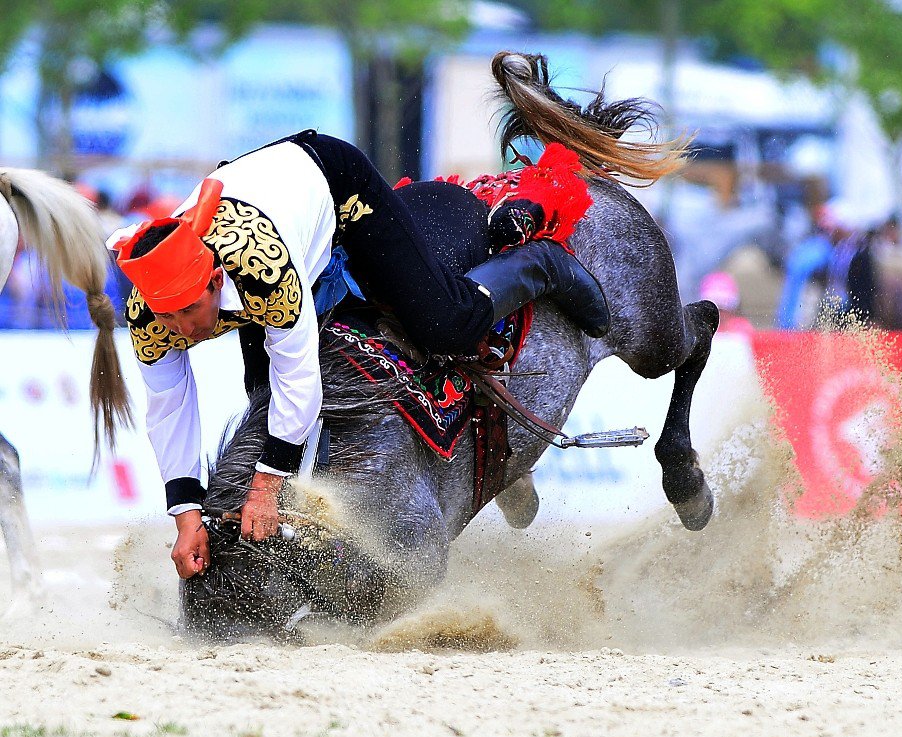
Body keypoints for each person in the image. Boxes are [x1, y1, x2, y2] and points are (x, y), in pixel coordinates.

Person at [109, 130, 608, 580]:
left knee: (445, 325)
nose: (179, 329)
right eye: (165, 316)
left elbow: (299, 379)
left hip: (333, 180)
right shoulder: (150, 310)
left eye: (189, 311)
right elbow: (169, 408)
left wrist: (265, 488)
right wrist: (187, 517)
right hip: (261, 206)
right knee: (261, 400)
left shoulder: (264, 269)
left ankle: (540, 264)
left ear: (215, 279)